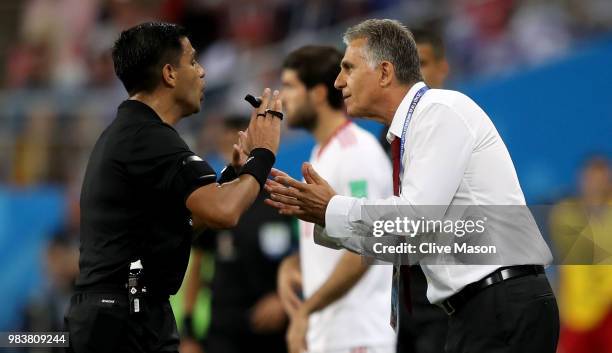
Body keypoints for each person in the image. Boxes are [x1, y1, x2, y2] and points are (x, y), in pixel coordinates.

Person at [266, 19, 559, 353]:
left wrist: (333, 208)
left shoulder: (439, 112)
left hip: (501, 306)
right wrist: (325, 218)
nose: (338, 81)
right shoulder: (411, 131)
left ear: (385, 72)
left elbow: (417, 220)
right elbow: (405, 245)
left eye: (348, 68)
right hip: (480, 311)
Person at [64, 22, 282, 353]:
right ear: (169, 74)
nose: (203, 71)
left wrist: (233, 176)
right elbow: (224, 212)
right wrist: (263, 154)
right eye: (193, 61)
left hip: (119, 314)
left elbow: (178, 228)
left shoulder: (133, 134)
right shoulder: (150, 139)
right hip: (124, 318)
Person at [276, 45, 396, 353]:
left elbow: (368, 245)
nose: (282, 98)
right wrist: (294, 263)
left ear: (317, 93)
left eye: (289, 86)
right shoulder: (320, 154)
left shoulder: (357, 152)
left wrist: (305, 310)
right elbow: (341, 239)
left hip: (359, 335)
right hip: (331, 336)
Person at [180, 116, 296, 353]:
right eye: (225, 145)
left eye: (238, 144)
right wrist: (189, 332)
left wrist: (282, 299)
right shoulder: (215, 203)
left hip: (274, 330)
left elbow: (300, 258)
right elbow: (198, 267)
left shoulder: (281, 199)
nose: (232, 152)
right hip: (225, 332)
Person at [550, 156, 612, 353]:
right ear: (582, 179)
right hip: (577, 312)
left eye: (601, 178)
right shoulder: (565, 213)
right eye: (592, 178)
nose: (596, 183)